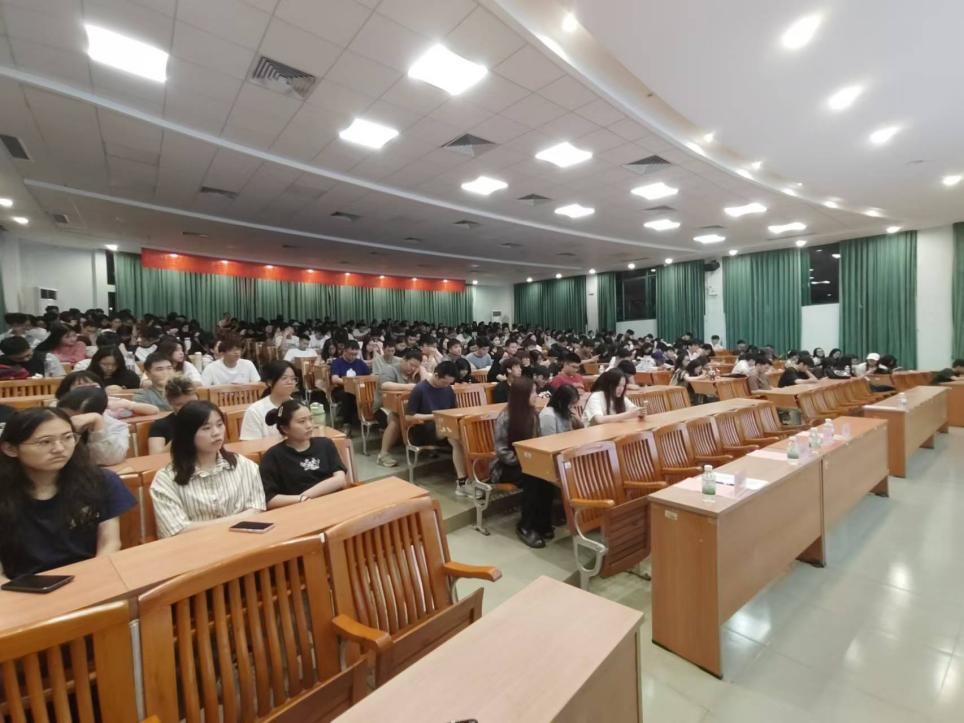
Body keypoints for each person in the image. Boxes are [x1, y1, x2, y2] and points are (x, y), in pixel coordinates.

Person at [0, 407, 135, 581]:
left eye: (67, 437)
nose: (59, 448)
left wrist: (93, 580)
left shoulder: (100, 481)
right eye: (45, 442)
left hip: (92, 577)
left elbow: (109, 543)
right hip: (20, 586)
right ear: (10, 449)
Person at [149, 401, 266, 537]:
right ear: (187, 434)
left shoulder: (244, 465)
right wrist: (238, 520)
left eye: (219, 425)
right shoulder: (166, 479)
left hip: (244, 542)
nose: (216, 433)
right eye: (206, 428)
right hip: (194, 546)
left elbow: (257, 509)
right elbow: (177, 530)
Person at [492, 377, 555, 548]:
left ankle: (542, 523)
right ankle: (525, 526)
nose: (536, 395)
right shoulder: (505, 416)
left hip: (528, 463)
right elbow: (501, 451)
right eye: (533, 392)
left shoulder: (533, 414)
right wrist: (524, 462)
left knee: (547, 476)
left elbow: (538, 441)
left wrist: (535, 460)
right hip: (506, 466)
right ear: (522, 395)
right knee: (532, 478)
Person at [259, 401, 347, 508]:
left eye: (310, 419)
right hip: (298, 509)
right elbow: (269, 500)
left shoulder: (325, 444)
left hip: (334, 503)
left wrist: (304, 497)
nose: (309, 425)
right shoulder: (273, 456)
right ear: (285, 428)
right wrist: (300, 500)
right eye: (302, 421)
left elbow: (340, 480)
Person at [405, 361, 469, 494]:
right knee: (455, 437)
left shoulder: (448, 389)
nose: (446, 385)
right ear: (435, 375)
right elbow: (409, 417)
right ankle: (462, 482)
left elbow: (453, 411)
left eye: (449, 383)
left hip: (444, 427)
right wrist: (435, 416)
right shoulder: (420, 389)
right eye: (444, 382)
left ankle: (472, 478)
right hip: (423, 430)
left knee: (467, 435)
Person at [56, 387, 131, 466]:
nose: (68, 420)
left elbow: (110, 459)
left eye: (73, 416)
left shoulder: (116, 426)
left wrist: (97, 423)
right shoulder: (52, 419)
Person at [375, 349, 424, 467]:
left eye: (416, 366)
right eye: (411, 364)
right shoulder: (390, 369)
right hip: (384, 408)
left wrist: (422, 371)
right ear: (404, 360)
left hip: (407, 408)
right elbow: (385, 385)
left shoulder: (415, 374)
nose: (412, 368)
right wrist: (410, 386)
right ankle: (383, 454)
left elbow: (426, 385)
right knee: (396, 418)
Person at [239, 360, 297, 441]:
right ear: (270, 382)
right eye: (284, 378)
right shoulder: (255, 411)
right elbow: (249, 445)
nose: (290, 382)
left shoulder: (300, 407)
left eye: (293, 378)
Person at [328, 340, 371, 435]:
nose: (353, 357)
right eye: (351, 354)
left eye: (356, 354)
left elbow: (369, 376)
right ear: (344, 351)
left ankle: (369, 418)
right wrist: (350, 383)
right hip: (341, 389)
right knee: (348, 395)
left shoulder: (359, 362)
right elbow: (334, 379)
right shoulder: (337, 362)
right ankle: (346, 424)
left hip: (359, 389)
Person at [147, 377, 199, 454]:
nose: (188, 408)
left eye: (192, 403)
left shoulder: (208, 419)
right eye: (180, 405)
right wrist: (183, 433)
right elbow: (155, 456)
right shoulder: (160, 425)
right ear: (170, 404)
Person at [0, 335, 64, 377]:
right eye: (19, 358)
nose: (26, 359)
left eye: (28, 355)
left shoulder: (48, 359)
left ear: (30, 348)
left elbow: (59, 380)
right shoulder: (2, 363)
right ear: (8, 356)